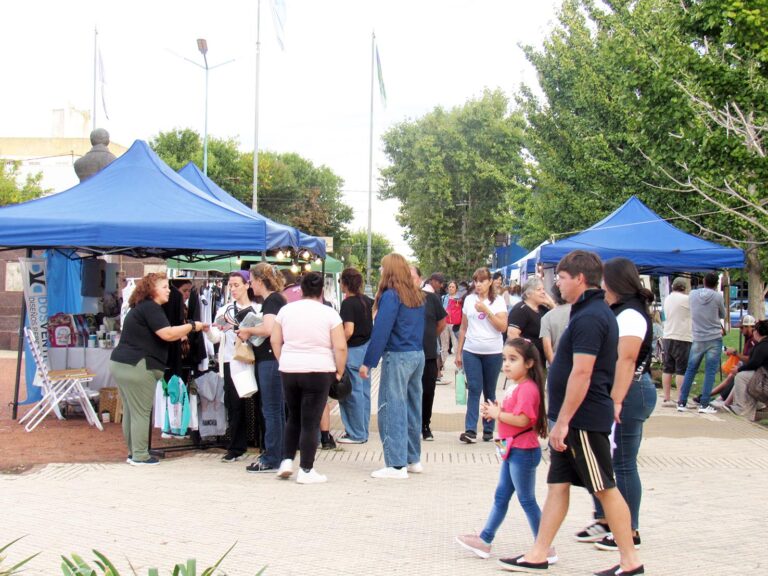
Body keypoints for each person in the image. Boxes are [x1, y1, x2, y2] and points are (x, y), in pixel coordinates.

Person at [499, 250, 643, 576]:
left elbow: (583, 372)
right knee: (557, 484)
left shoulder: (592, 316)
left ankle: (630, 561)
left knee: (604, 487)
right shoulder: (585, 311)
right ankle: (538, 553)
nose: (557, 285)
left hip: (583, 419)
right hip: (575, 418)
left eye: (561, 278)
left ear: (580, 278)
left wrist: (562, 421)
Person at [576, 258, 657, 553]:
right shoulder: (618, 311)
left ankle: (629, 529)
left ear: (613, 282)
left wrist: (617, 400)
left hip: (630, 392)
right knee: (606, 462)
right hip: (619, 392)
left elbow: (626, 359)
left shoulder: (631, 314)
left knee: (622, 463)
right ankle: (608, 520)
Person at [455, 338, 557, 565]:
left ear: (529, 363)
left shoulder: (528, 389)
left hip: (523, 450)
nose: (507, 364)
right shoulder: (516, 386)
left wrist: (498, 414)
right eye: (504, 359)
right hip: (511, 449)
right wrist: (495, 412)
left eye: (513, 359)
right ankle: (485, 539)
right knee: (502, 496)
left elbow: (523, 420)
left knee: (526, 499)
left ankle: (545, 546)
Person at [110, 273, 207, 466]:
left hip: (123, 363)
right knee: (140, 412)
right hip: (138, 365)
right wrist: (192, 326)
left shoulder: (142, 308)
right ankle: (140, 455)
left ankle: (133, 452)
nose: (169, 290)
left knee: (131, 411)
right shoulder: (151, 308)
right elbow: (168, 334)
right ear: (152, 289)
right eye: (164, 287)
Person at [271, 272, 347, 484]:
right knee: (311, 421)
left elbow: (275, 340)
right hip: (319, 369)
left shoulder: (285, 311)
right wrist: (339, 371)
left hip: (289, 368)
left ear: (301, 289)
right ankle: (306, 469)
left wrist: (282, 360)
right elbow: (340, 346)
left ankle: (286, 461)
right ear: (322, 291)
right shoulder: (329, 314)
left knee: (293, 417)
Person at [360, 253, 425, 480]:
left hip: (397, 356)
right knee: (412, 407)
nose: (379, 270)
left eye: (381, 267)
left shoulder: (391, 296)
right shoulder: (416, 295)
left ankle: (396, 465)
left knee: (391, 407)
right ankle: (412, 458)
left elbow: (382, 330)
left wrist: (368, 362)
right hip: (417, 354)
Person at [205, 271, 260, 463]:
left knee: (257, 403)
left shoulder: (257, 308)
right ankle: (237, 446)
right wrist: (209, 331)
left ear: (247, 285)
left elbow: (260, 336)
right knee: (234, 405)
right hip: (231, 361)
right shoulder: (225, 310)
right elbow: (217, 336)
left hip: (252, 361)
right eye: (231, 285)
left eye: (237, 285)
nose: (233, 289)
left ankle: (262, 443)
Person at [237, 263, 287, 473]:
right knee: (276, 409)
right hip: (273, 360)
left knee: (272, 409)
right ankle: (280, 453)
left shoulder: (272, 300)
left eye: (251, 281)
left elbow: (268, 329)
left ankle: (272, 456)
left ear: (259, 281)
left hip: (270, 359)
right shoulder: (277, 299)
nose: (250, 285)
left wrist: (247, 329)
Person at [456, 267, 508, 444]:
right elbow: (463, 327)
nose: (478, 284)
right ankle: (470, 429)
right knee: (474, 389)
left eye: (482, 281)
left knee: (490, 390)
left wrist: (486, 310)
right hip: (471, 350)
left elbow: (502, 327)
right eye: (476, 281)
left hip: (493, 351)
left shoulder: (498, 301)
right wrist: (459, 352)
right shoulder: (469, 300)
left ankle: (488, 428)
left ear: (490, 282)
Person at [677, 272, 726, 414]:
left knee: (691, 369)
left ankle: (682, 401)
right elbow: (722, 314)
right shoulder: (718, 297)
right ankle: (704, 404)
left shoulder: (692, 294)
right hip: (714, 337)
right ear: (716, 284)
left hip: (698, 337)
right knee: (710, 371)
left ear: (704, 281)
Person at [336, 267, 374, 444]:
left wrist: (337, 344)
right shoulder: (367, 301)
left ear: (345, 283)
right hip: (367, 350)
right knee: (364, 392)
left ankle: (356, 433)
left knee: (351, 393)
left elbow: (348, 330)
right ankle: (363, 430)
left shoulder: (348, 303)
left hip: (352, 351)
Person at [411, 266, 447, 442]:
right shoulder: (400, 298)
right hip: (407, 354)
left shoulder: (432, 299)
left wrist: (430, 336)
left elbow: (442, 323)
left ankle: (425, 424)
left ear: (420, 278)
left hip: (428, 354)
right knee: (408, 392)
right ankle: (410, 424)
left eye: (413, 277)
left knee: (428, 391)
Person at [726, 319, 768, 421]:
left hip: (765, 380)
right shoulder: (762, 344)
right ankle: (751, 409)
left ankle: (741, 407)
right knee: (747, 377)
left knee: (742, 377)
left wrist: (739, 369)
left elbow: (753, 363)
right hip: (764, 376)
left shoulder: (762, 345)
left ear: (757, 332)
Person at [660, 277, 692, 407]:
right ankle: (681, 398)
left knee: (667, 367)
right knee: (681, 369)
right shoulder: (686, 299)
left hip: (668, 335)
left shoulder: (668, 298)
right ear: (684, 288)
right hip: (682, 336)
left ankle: (666, 397)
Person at [507, 276, 554, 361]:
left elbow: (559, 317)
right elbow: (512, 335)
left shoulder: (543, 309)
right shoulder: (520, 309)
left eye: (543, 289)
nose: (543, 292)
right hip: (528, 360)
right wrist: (525, 355)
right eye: (539, 289)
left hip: (542, 359)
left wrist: (551, 303)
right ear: (528, 294)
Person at [539, 284, 571, 365]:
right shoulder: (580, 312)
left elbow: (547, 347)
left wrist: (553, 366)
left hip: (557, 362)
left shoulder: (547, 317)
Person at [443, 280, 463, 355]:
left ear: (456, 289)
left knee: (456, 344)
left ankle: (458, 364)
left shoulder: (459, 299)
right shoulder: (444, 298)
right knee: (445, 345)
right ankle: (443, 365)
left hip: (455, 324)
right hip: (445, 323)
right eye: (450, 287)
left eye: (453, 287)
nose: (451, 288)